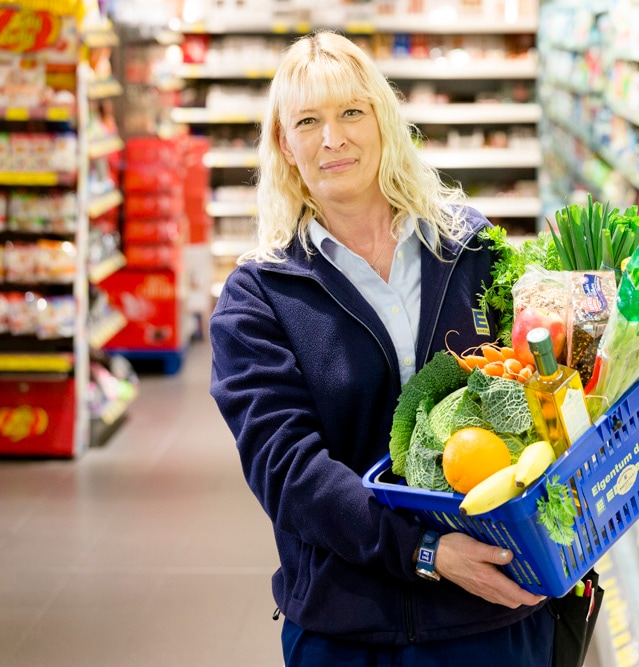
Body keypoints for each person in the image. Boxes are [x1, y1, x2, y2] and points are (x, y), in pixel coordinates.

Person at [208, 31, 556, 666]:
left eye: (350, 113)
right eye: (308, 122)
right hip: (352, 629)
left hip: (495, 610)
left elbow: (539, 401)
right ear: (285, 144)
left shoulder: (470, 251)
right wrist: (423, 550)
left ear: (383, 119)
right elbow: (288, 473)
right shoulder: (258, 297)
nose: (332, 139)